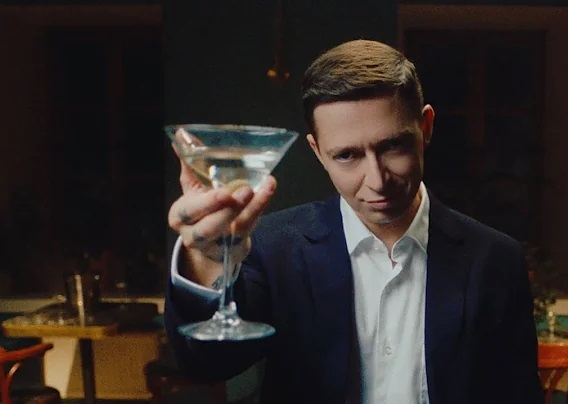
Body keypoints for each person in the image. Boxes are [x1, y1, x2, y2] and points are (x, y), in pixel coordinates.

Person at [165, 39, 542, 403]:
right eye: (347, 155)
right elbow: (205, 365)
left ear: (425, 127)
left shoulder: (497, 259)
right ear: (318, 151)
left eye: (392, 146)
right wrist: (206, 261)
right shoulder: (273, 247)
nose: (377, 180)